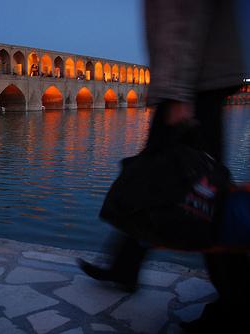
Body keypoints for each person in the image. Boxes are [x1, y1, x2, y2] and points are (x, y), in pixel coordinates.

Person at [78, 1, 249, 332]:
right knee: (162, 183)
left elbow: (184, 18)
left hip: (194, 85)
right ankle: (125, 266)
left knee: (203, 195)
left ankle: (237, 302)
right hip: (197, 81)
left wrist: (177, 93)